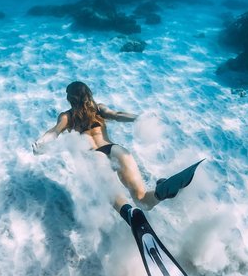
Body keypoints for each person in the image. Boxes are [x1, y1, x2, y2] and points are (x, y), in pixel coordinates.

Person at [32, 81, 200, 222]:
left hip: (94, 156)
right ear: (88, 94)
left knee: (112, 196)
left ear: (70, 99)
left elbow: (54, 131)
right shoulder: (98, 109)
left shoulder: (67, 117)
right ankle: (160, 190)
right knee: (143, 201)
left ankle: (128, 213)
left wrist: (41, 143)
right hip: (115, 150)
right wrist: (140, 117)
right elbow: (117, 115)